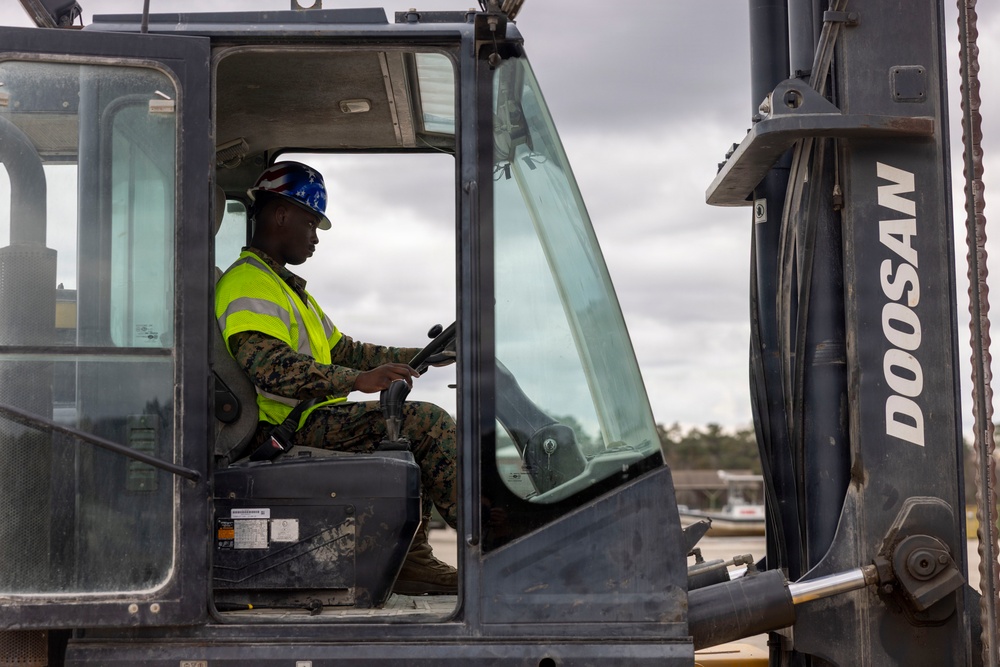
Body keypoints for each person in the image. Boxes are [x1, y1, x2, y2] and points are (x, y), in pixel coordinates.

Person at [215, 161, 458, 595]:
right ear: (281, 215)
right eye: (311, 223)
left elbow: (347, 351)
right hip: (280, 429)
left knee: (407, 427)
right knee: (426, 423)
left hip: (306, 420)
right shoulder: (248, 283)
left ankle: (412, 560)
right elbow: (269, 367)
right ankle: (499, 546)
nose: (315, 238)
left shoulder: (287, 289)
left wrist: (423, 355)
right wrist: (356, 381)